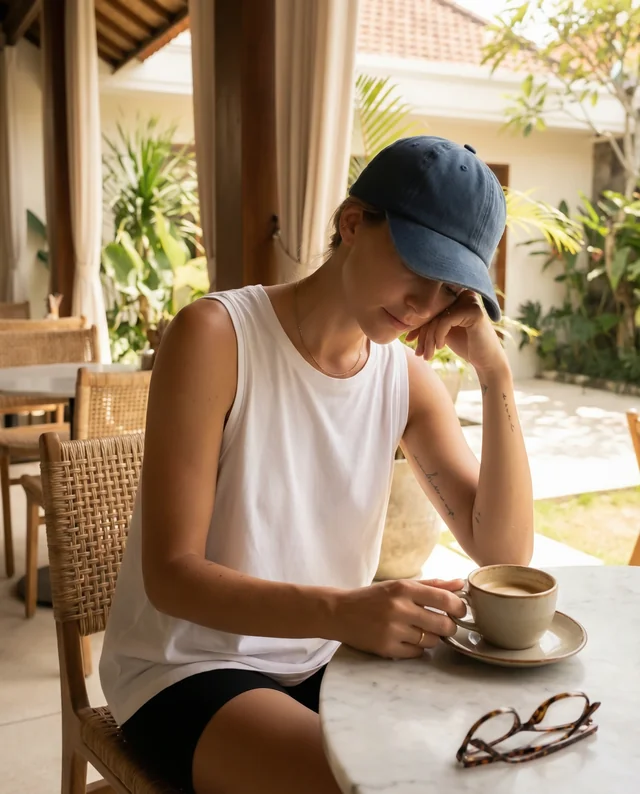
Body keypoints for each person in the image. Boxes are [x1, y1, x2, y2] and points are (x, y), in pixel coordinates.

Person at [100, 136, 534, 793]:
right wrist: (345, 612)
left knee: (488, 759)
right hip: (186, 669)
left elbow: (503, 550)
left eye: (450, 288)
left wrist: (494, 372)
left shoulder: (404, 378)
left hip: (330, 661)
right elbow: (172, 578)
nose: (424, 304)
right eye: (418, 265)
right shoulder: (216, 338)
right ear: (353, 224)